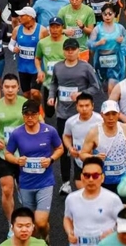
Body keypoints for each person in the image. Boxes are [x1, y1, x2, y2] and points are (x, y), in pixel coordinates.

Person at [4, 98, 64, 242]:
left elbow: (60, 148)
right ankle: (37, 243)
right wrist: (17, 160)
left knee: (41, 222)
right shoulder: (17, 134)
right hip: (26, 183)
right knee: (31, 226)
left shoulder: (49, 131)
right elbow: (7, 154)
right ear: (23, 115)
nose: (30, 118)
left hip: (45, 182)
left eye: (33, 114)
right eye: (27, 115)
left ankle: (45, 238)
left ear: (39, 114)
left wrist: (50, 159)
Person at [48, 37, 100, 193]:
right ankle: (65, 182)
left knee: (84, 148)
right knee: (64, 149)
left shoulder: (86, 67)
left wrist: (81, 94)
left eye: (73, 49)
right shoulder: (58, 67)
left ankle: (87, 178)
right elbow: (53, 83)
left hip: (81, 115)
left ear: (78, 51)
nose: (70, 52)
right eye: (67, 49)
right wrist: (52, 96)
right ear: (63, 51)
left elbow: (95, 87)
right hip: (63, 115)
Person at [0, 73, 29, 228]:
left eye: (13, 87)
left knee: (26, 190)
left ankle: (22, 193)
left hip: (24, 154)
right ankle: (11, 224)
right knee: (7, 189)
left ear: (18, 88)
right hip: (4, 154)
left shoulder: (26, 104)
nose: (10, 90)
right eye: (7, 87)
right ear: (2, 88)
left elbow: (39, 123)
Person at [81, 99, 126, 193]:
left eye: (114, 114)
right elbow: (82, 154)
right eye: (107, 114)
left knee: (123, 202)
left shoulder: (125, 128)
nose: (111, 118)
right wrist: (94, 157)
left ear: (118, 114)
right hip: (103, 180)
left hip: (123, 179)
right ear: (102, 115)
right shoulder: (94, 132)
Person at [63, 157, 125, 244]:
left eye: (95, 176)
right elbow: (67, 218)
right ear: (81, 177)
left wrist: (113, 232)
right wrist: (69, 232)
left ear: (102, 178)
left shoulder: (112, 199)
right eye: (87, 175)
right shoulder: (71, 198)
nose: (91, 179)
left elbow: (124, 222)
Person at [62, 91, 104, 190]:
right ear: (76, 106)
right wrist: (70, 148)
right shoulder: (71, 122)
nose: (84, 109)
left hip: (97, 159)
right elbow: (66, 136)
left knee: (97, 188)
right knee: (81, 189)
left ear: (92, 106)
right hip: (79, 161)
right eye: (81, 106)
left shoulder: (100, 120)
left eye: (87, 105)